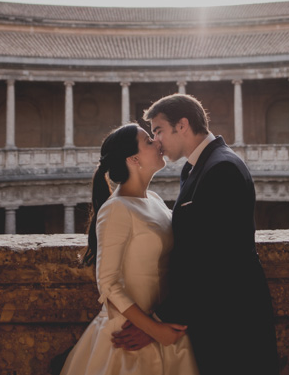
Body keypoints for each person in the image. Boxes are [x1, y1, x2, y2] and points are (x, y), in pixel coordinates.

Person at [112, 94, 280, 374]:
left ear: (182, 125)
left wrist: (158, 323)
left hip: (232, 323)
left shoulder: (221, 168)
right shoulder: (197, 167)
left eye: (158, 131)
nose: (157, 141)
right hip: (215, 318)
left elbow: (213, 262)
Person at [59, 123, 199, 375]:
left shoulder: (154, 200)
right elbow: (108, 284)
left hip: (161, 324)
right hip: (129, 332)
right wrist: (153, 330)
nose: (157, 142)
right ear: (133, 159)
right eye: (148, 141)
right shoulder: (116, 209)